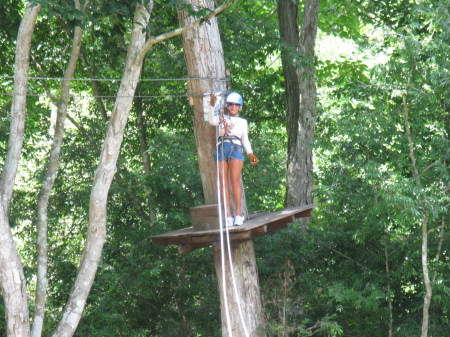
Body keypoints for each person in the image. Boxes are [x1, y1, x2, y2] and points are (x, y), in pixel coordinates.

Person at [209, 92, 258, 227]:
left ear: (240, 107)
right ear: (227, 106)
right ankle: (228, 215)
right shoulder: (220, 117)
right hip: (221, 148)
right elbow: (211, 121)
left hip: (235, 148)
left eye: (236, 105)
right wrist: (212, 104)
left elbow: (245, 139)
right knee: (223, 184)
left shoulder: (242, 121)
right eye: (231, 104)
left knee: (235, 182)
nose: (233, 107)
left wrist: (251, 154)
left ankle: (238, 214)